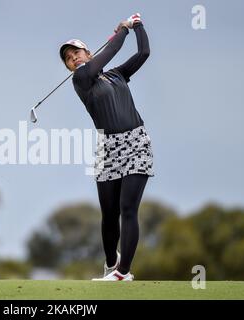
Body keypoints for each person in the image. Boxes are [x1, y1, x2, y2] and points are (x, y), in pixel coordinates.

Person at [59, 13, 154, 281]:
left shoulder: (116, 75)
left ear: (88, 52)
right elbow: (111, 50)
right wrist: (123, 29)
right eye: (69, 58)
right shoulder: (81, 79)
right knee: (109, 214)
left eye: (77, 51)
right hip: (107, 148)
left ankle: (123, 273)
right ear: (69, 66)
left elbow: (144, 52)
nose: (74, 57)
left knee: (127, 209)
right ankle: (112, 262)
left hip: (136, 142)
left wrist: (137, 26)